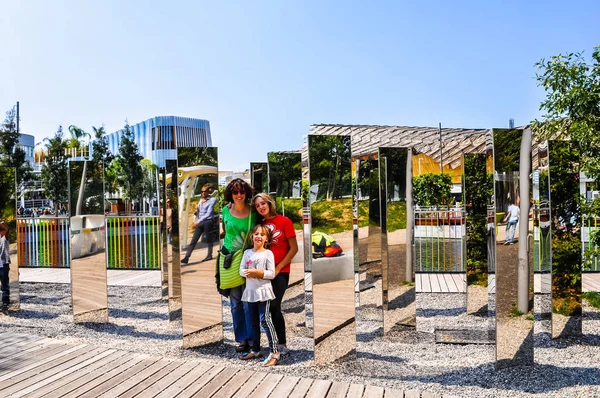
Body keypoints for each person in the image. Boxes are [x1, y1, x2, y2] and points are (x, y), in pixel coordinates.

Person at [252, 193, 298, 360]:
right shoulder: (260, 225)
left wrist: (278, 267)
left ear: (269, 203)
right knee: (265, 308)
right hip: (263, 273)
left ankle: (282, 344)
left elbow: (294, 249)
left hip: (280, 272)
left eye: (263, 203)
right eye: (257, 205)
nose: (261, 207)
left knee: (274, 305)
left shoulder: (284, 221)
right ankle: (273, 343)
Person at [221, 178, 257, 353]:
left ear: (246, 193)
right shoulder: (225, 211)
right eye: (235, 192)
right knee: (235, 303)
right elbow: (224, 232)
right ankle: (241, 339)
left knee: (248, 302)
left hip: (249, 261)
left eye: (242, 191)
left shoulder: (253, 212)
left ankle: (252, 338)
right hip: (230, 260)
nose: (239, 195)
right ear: (230, 194)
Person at [238, 224, 279, 366]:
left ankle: (274, 352)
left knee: (265, 320)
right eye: (256, 234)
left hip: (263, 292)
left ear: (266, 239)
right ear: (252, 237)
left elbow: (271, 274)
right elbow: (241, 270)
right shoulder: (247, 253)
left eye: (262, 234)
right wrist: (247, 272)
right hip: (250, 292)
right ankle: (255, 349)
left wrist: (258, 273)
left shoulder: (268, 254)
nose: (258, 236)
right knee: (251, 321)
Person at [181, 184, 217, 263]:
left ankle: (209, 255)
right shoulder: (201, 200)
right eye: (202, 192)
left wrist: (198, 221)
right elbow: (200, 213)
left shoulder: (212, 200)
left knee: (209, 239)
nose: (203, 193)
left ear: (208, 192)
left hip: (208, 221)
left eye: (205, 192)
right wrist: (197, 211)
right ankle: (186, 257)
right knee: (194, 240)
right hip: (200, 221)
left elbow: (208, 214)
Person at [0, 222, 11, 307]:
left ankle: (5, 302)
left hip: (3, 264)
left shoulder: (3, 237)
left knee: (5, 285)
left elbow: (6, 228)